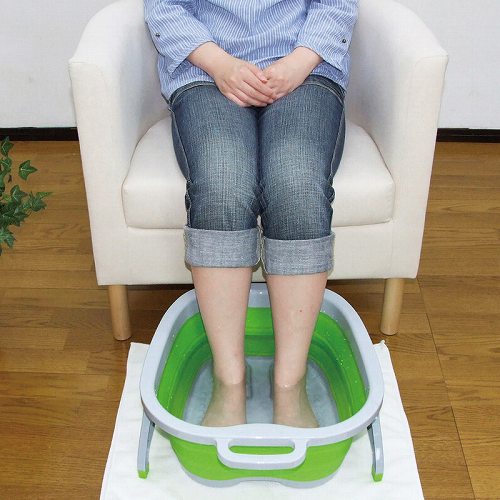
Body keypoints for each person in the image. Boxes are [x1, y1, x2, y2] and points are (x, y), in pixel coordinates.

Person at [144, 0, 358, 428]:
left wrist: (297, 64)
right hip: (206, 72)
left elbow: (337, 5)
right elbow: (163, 7)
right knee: (223, 182)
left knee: (295, 183)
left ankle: (289, 384)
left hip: (305, 70)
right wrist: (221, 64)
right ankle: (229, 380)